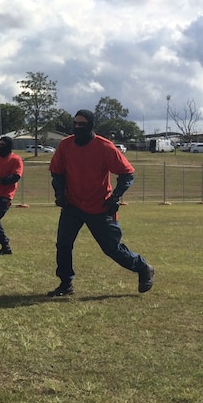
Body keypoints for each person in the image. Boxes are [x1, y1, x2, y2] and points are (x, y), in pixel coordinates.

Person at [47, 109, 154, 297]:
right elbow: (56, 172)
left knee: (111, 249)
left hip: (100, 207)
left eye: (82, 124)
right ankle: (66, 283)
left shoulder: (104, 147)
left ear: (90, 125)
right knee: (63, 244)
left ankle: (143, 267)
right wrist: (59, 193)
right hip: (72, 206)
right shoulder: (65, 145)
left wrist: (116, 196)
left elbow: (127, 173)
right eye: (75, 124)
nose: (78, 127)